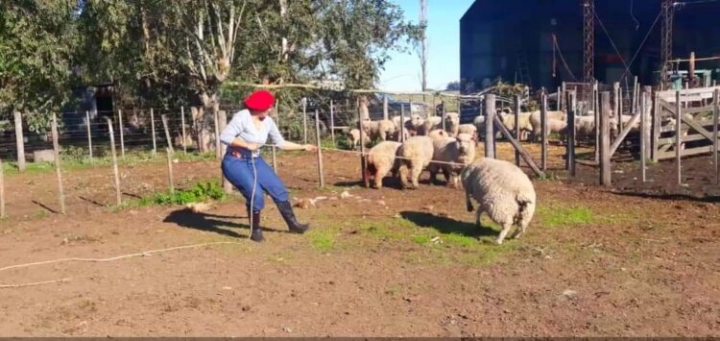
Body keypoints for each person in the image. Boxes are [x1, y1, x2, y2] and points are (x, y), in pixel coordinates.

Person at [219, 89, 317, 242]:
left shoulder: (268, 122)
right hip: (235, 162)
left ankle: (293, 225)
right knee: (256, 194)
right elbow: (224, 136)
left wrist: (303, 146)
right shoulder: (242, 117)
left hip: (255, 161)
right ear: (258, 106)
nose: (270, 109)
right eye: (267, 106)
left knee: (278, 188)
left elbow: (281, 143)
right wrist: (246, 145)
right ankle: (255, 231)